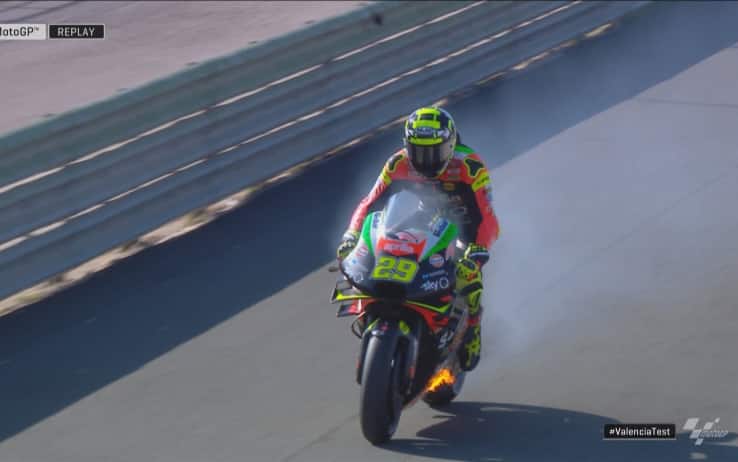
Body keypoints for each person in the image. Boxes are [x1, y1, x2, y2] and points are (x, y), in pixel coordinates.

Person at [336, 106, 500, 371]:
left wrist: (477, 250)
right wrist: (351, 235)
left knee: (469, 276)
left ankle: (472, 329)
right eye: (418, 151)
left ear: (449, 146)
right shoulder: (398, 163)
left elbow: (488, 219)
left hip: (464, 226)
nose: (425, 160)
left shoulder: (469, 167)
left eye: (434, 152)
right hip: (423, 217)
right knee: (381, 246)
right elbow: (369, 203)